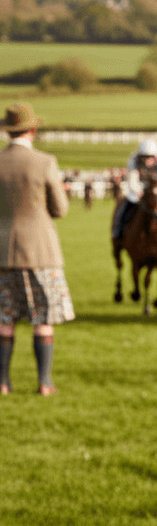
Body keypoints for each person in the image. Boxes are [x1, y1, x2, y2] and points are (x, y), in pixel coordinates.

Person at [0, 103, 73, 396]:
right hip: (40, 252)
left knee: (4, 319)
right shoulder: (44, 162)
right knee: (43, 319)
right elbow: (60, 208)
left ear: (7, 131)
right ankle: (44, 382)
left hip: (2, 251)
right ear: (32, 130)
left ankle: (3, 383)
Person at [111, 139, 157, 241]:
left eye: (150, 157)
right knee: (125, 207)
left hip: (155, 189)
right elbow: (132, 181)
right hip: (138, 191)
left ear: (155, 156)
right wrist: (141, 193)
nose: (148, 160)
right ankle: (118, 230)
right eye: (145, 157)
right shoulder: (133, 160)